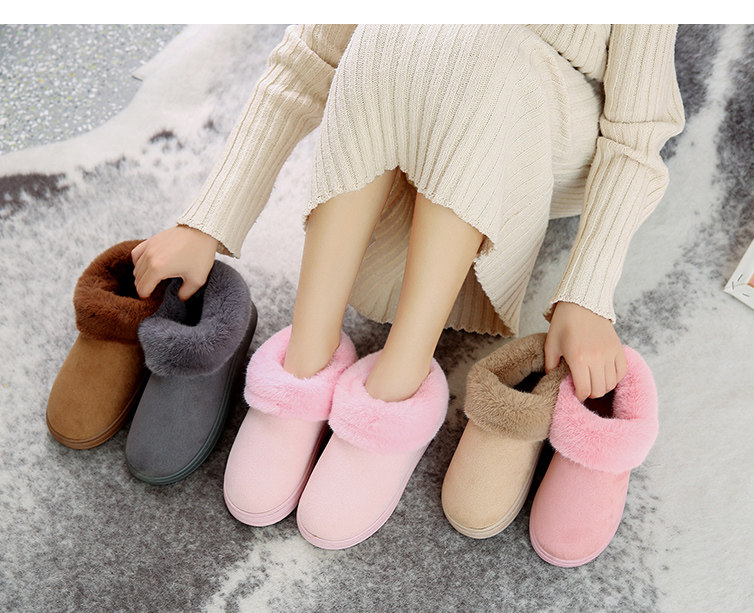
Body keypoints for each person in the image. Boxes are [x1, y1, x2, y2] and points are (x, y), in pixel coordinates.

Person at [131, 25, 684, 546]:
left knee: (486, 50)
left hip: (539, 130)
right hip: (411, 94)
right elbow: (312, 55)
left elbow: (636, 137)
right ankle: (307, 356)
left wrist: (587, 292)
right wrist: (207, 221)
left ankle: (399, 380)